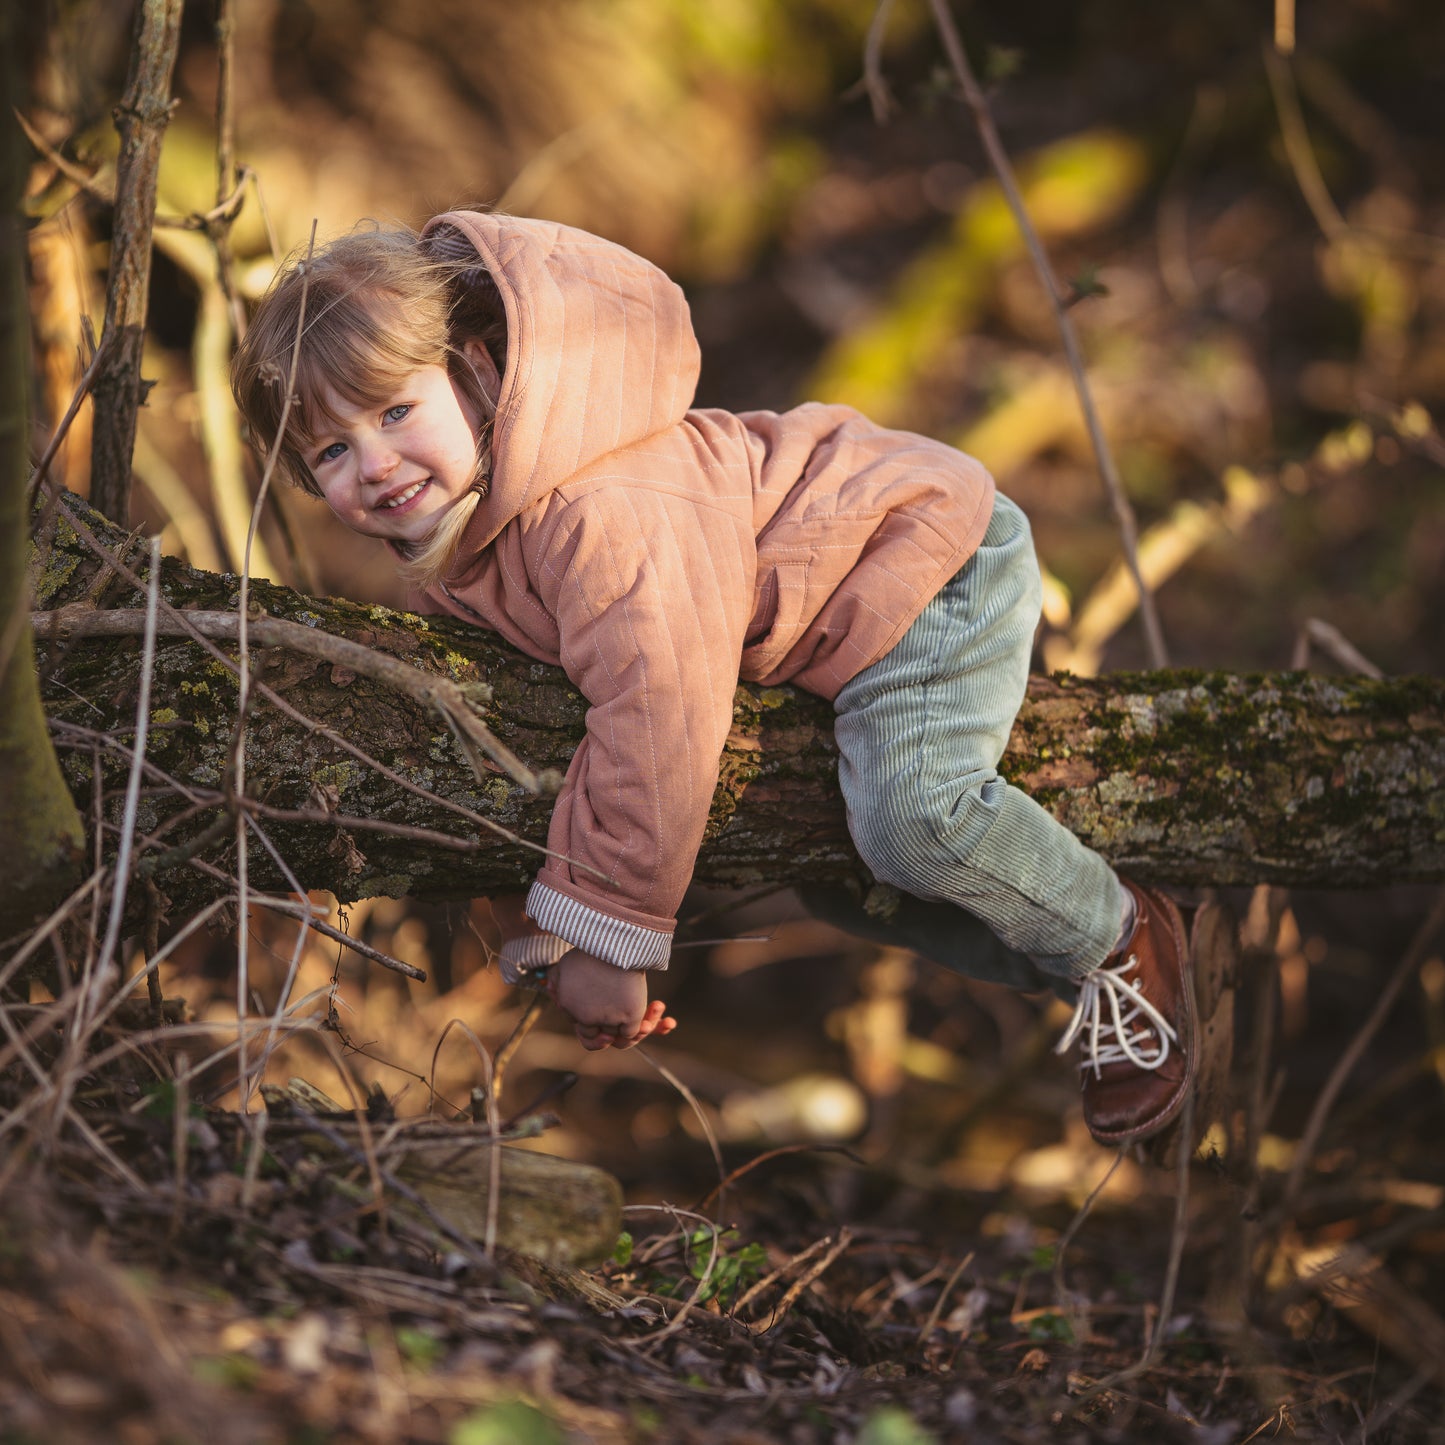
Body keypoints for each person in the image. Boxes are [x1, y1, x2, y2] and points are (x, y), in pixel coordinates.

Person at [232, 211, 1195, 1147]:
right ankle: (1117, 951)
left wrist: (610, 940)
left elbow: (659, 713)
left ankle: (1118, 939)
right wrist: (547, 936)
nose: (376, 463)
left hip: (919, 560)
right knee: (841, 884)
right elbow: (533, 745)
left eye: (397, 410)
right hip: (816, 625)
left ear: (476, 372)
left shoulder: (596, 511)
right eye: (331, 450)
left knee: (914, 817)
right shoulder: (462, 547)